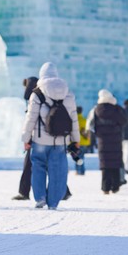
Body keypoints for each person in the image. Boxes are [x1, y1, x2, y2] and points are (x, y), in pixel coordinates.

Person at [20, 62, 79, 210]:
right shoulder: (68, 93)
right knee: (58, 171)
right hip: (60, 140)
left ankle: (40, 198)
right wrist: (76, 140)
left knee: (38, 167)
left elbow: (31, 118)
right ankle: (53, 203)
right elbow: (73, 119)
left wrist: (26, 138)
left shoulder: (37, 93)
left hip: (40, 140)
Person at [88, 89, 128, 194]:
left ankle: (105, 188)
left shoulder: (96, 110)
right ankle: (115, 187)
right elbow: (125, 120)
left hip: (102, 140)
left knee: (105, 164)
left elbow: (90, 125)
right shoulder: (116, 109)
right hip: (116, 140)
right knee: (115, 163)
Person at [74, 106, 89, 175]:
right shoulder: (85, 120)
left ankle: (78, 170)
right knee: (82, 157)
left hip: (75, 142)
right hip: (83, 142)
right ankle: (82, 170)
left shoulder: (74, 121)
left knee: (76, 157)